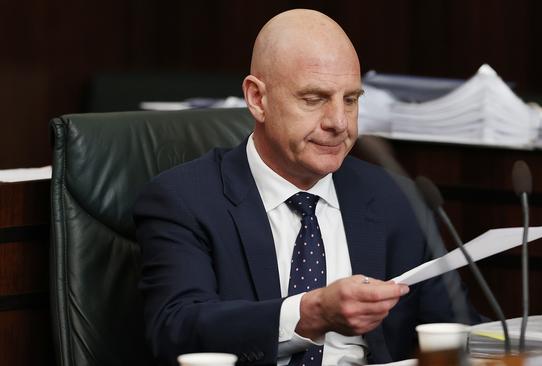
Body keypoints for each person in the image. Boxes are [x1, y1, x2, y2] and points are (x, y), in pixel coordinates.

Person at [134, 9, 481, 366]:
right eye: (314, 99)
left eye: (350, 99)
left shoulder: (395, 198)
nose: (338, 123)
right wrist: (311, 312)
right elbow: (176, 330)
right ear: (257, 99)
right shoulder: (185, 199)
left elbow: (457, 327)